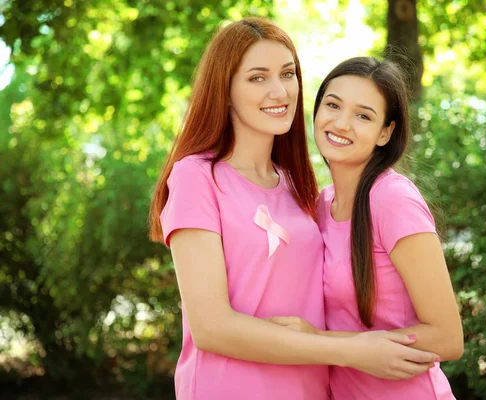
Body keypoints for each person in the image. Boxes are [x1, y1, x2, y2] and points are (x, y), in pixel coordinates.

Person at [148, 19, 438, 400]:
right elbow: (211, 327)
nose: (279, 90)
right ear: (226, 89)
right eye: (257, 77)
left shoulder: (301, 190)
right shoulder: (195, 177)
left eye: (288, 74)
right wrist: (350, 350)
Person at [270, 57, 464, 399]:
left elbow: (448, 338)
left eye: (363, 115)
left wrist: (319, 340)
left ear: (385, 132)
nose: (342, 123)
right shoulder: (317, 207)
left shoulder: (393, 199)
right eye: (333, 105)